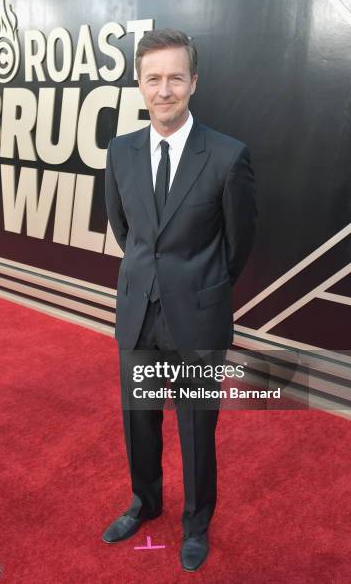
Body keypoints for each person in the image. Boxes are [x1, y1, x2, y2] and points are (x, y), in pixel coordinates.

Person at [103, 28, 257, 572]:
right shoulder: (119, 152)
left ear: (193, 82)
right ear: (139, 85)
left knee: (196, 427)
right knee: (138, 420)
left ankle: (196, 523)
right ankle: (145, 504)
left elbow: (238, 246)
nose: (163, 89)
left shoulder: (227, 156)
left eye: (174, 77)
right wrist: (152, 279)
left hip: (197, 318)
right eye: (152, 78)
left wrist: (197, 285)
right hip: (138, 313)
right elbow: (127, 233)